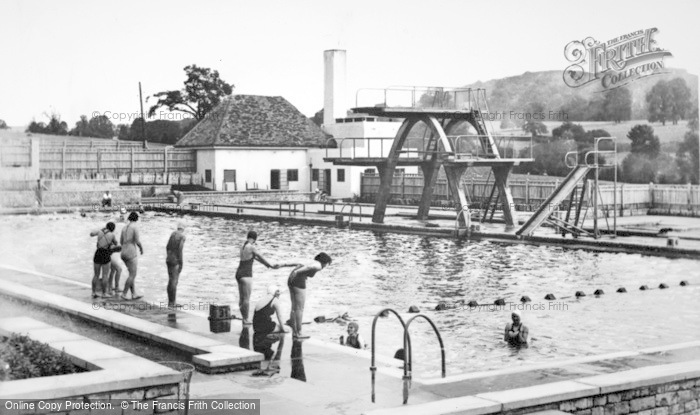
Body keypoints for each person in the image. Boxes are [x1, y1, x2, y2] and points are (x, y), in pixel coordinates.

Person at [283, 253, 332, 339]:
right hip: (298, 282)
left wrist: (283, 265)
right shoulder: (318, 265)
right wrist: (297, 272)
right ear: (324, 261)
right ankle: (299, 332)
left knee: (294, 307)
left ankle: (294, 331)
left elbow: (296, 263)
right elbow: (310, 268)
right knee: (300, 309)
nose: (325, 266)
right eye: (327, 263)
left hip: (291, 280)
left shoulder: (311, 261)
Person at [235, 231, 277, 324]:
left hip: (238, 273)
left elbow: (256, 258)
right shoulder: (251, 247)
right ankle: (246, 319)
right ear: (255, 239)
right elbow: (259, 256)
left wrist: (267, 265)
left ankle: (244, 318)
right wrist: (271, 265)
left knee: (241, 298)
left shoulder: (243, 247)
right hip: (246, 275)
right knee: (246, 299)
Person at [251, 285, 288, 375]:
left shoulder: (263, 299)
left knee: (278, 325)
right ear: (275, 293)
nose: (279, 294)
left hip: (256, 326)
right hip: (264, 327)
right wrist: (284, 329)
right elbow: (279, 316)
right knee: (286, 328)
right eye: (278, 292)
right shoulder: (275, 300)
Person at [90, 222, 118, 298]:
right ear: (113, 229)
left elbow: (91, 234)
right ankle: (104, 293)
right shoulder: (112, 235)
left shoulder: (100, 231)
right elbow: (116, 243)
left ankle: (93, 292)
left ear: (106, 226)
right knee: (105, 275)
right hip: (105, 253)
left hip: (98, 252)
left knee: (96, 275)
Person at [120, 212, 144, 300]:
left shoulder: (124, 228)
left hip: (123, 252)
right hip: (131, 252)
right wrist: (141, 249)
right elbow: (137, 241)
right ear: (137, 219)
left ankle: (134, 293)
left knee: (131, 274)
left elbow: (121, 241)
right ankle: (124, 293)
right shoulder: (135, 227)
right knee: (133, 274)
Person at [166, 223, 186, 307]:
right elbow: (180, 250)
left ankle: (170, 301)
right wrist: (181, 262)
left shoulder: (172, 234)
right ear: (183, 229)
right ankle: (172, 303)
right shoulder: (182, 236)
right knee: (174, 281)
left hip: (168, 259)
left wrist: (169, 255)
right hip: (175, 261)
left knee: (170, 280)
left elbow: (167, 247)